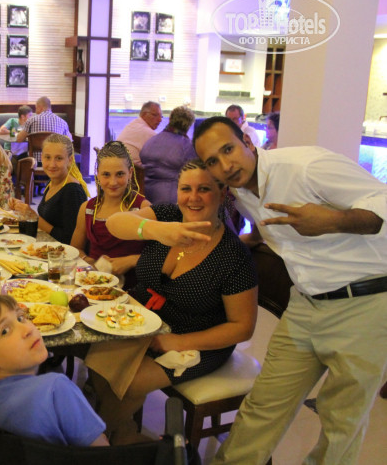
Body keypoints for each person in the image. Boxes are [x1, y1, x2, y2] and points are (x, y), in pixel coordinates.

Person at [193, 117, 387, 465]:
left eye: (228, 149)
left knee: (341, 420)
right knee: (263, 404)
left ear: (248, 142)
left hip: (364, 303)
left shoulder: (306, 166)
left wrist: (332, 221)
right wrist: (249, 240)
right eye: (213, 161)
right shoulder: (241, 190)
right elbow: (271, 226)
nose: (225, 165)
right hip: (304, 305)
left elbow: (383, 202)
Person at [99, 158, 258, 444]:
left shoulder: (232, 256)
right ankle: (120, 433)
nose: (193, 198)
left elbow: (242, 327)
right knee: (98, 358)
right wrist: (158, 230)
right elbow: (114, 223)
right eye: (186, 189)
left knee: (129, 380)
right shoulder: (167, 215)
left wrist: (178, 342)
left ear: (223, 193)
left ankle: (90, 442)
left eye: (204, 189)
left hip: (197, 338)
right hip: (146, 321)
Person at [0, 295, 109, 447]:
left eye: (20, 318)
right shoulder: (56, 388)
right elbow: (101, 450)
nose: (27, 329)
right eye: (5, 331)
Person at [70, 141, 150, 289]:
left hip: (132, 289)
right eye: (106, 174)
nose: (113, 182)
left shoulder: (143, 208)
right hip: (94, 286)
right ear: (97, 175)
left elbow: (161, 257)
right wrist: (90, 260)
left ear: (130, 173)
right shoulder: (87, 209)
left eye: (120, 174)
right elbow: (75, 249)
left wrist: (131, 260)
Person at [10, 134, 88, 244]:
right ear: (41, 157)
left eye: (59, 158)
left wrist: (34, 216)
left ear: (70, 160)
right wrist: (22, 209)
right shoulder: (51, 182)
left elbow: (69, 239)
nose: (52, 164)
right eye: (47, 157)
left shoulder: (73, 191)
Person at [139, 105, 198, 205]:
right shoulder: (186, 146)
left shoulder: (151, 140)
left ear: (170, 119)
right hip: (170, 200)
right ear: (188, 125)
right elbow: (196, 170)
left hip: (145, 195)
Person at [117, 101, 163, 167]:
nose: (160, 120)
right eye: (155, 115)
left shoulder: (132, 125)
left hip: (117, 167)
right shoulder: (149, 133)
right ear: (144, 115)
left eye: (161, 116)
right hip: (135, 172)